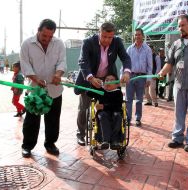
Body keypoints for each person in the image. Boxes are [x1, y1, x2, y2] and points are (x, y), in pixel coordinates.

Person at [75, 22, 131, 146]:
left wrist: (126, 72)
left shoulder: (117, 42)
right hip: (89, 78)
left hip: (108, 80)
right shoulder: (88, 42)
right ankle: (81, 134)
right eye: (104, 36)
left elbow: (126, 58)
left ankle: (108, 134)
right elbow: (83, 61)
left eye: (110, 37)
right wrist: (90, 78)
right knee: (84, 107)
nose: (107, 40)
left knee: (110, 106)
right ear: (99, 33)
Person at [20, 19, 66, 157]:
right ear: (38, 31)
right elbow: (25, 64)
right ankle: (27, 145)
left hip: (54, 89)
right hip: (35, 89)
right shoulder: (27, 44)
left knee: (53, 119)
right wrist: (35, 79)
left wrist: (58, 75)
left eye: (50, 36)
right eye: (44, 35)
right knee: (31, 120)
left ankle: (50, 143)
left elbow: (62, 62)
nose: (47, 39)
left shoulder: (59, 44)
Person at [158, 14, 188, 152]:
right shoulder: (176, 44)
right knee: (179, 113)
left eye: (182, 25)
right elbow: (169, 64)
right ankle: (177, 138)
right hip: (179, 85)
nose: (180, 28)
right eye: (179, 26)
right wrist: (162, 73)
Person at [87, 74, 123, 149]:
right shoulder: (101, 91)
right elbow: (88, 93)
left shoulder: (118, 92)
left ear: (117, 85)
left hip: (115, 112)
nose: (108, 82)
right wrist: (94, 84)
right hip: (103, 113)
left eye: (112, 80)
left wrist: (104, 106)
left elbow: (117, 105)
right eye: (107, 80)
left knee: (118, 116)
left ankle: (114, 141)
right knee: (102, 115)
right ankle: (105, 140)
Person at [126, 28, 152, 127]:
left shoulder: (147, 49)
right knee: (128, 99)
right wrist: (123, 75)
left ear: (143, 36)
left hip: (141, 77)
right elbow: (126, 64)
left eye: (139, 35)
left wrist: (148, 78)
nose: (137, 36)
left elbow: (150, 66)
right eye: (135, 35)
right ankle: (128, 119)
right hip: (131, 76)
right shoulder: (129, 49)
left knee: (139, 100)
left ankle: (138, 118)